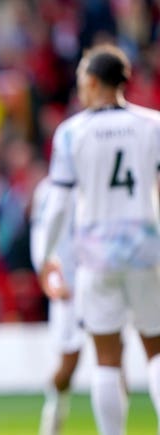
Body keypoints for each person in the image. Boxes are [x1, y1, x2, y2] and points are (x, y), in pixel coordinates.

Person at [38, 43, 160, 435]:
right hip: (146, 247)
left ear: (91, 82)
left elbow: (57, 205)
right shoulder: (152, 125)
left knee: (107, 357)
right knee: (156, 352)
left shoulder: (73, 132)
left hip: (96, 254)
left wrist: (45, 259)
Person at [30, 176, 85, 435]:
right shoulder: (49, 189)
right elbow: (41, 233)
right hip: (68, 284)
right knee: (67, 366)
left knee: (112, 358)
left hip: (99, 278)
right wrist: (49, 275)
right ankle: (51, 420)